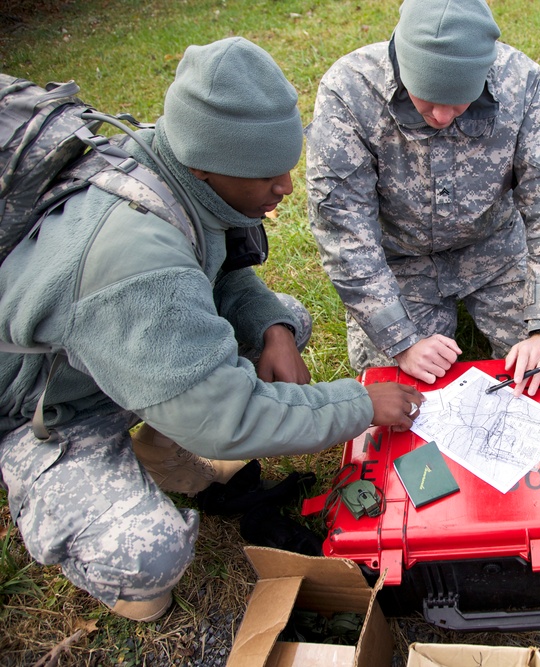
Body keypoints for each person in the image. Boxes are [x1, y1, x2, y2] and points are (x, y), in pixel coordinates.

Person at [0, 37, 422, 622]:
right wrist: (360, 403)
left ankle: (163, 436)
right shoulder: (134, 259)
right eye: (267, 175)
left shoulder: (170, 167)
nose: (286, 189)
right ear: (205, 163)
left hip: (113, 352)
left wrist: (271, 328)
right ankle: (106, 527)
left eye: (286, 167)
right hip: (40, 409)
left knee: (287, 318)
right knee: (148, 560)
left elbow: (212, 270)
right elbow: (229, 419)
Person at [306, 0, 540, 397]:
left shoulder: (519, 82)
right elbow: (343, 228)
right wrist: (400, 339)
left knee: (538, 375)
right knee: (398, 390)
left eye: (459, 102)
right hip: (402, 261)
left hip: (494, 250)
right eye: (426, 98)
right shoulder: (350, 90)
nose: (440, 116)